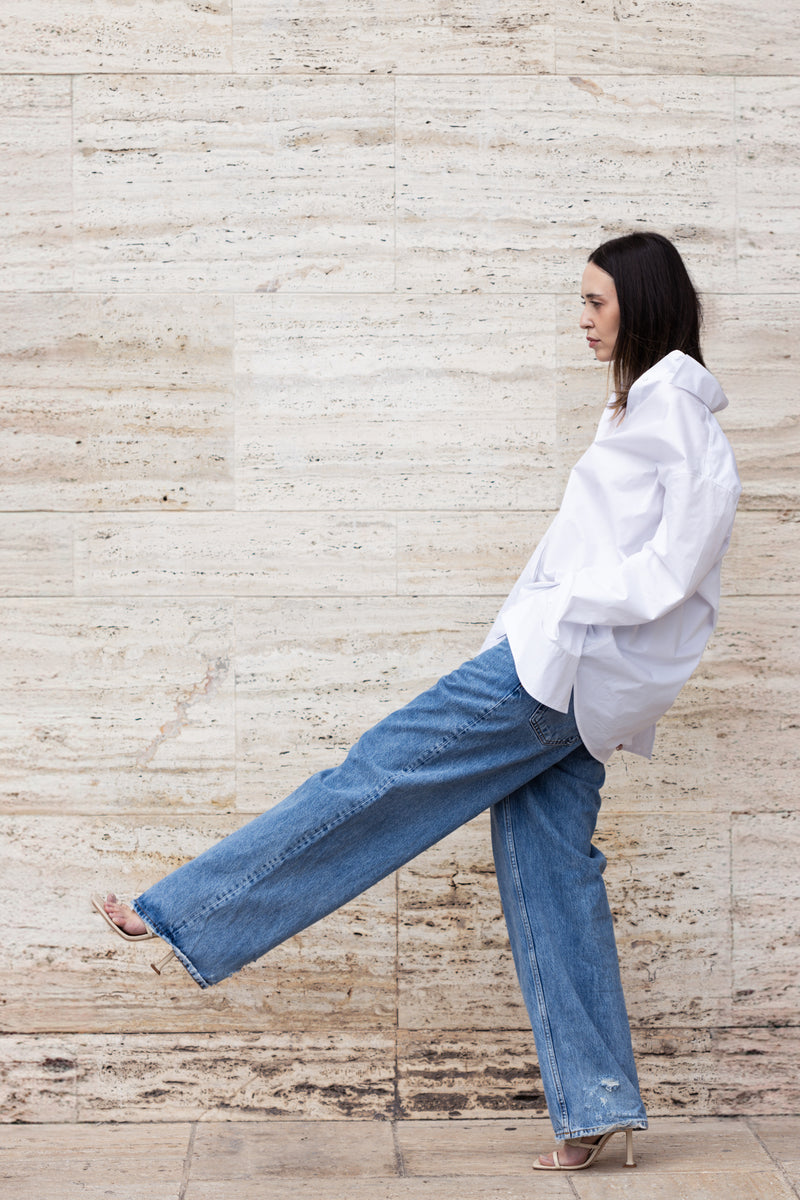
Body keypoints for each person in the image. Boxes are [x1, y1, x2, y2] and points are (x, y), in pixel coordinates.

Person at [93, 231, 741, 1172]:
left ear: (640, 303)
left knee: (377, 777)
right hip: (572, 679)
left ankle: (188, 909)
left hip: (555, 671)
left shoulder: (675, 414)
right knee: (552, 877)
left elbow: (677, 570)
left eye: (596, 301)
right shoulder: (636, 411)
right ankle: (595, 1103)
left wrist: (561, 614)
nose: (584, 318)